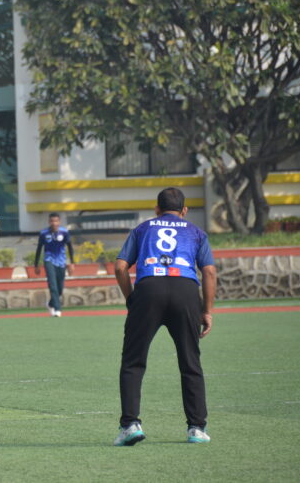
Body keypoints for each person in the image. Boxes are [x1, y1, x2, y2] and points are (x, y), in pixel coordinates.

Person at [113, 188, 217, 446]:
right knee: (190, 362)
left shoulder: (141, 229)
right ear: (184, 211)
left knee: (133, 362)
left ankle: (130, 425)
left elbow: (120, 267)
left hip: (149, 289)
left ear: (156, 209)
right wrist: (206, 310)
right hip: (185, 291)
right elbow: (210, 272)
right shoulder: (196, 232)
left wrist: (131, 298)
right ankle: (196, 428)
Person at [33, 213, 75, 317]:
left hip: (61, 261)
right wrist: (36, 265)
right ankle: (57, 309)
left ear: (59, 222)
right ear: (49, 222)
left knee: (60, 287)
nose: (54, 223)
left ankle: (51, 303)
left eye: (56, 221)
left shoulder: (64, 232)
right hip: (49, 260)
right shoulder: (43, 233)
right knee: (53, 285)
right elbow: (39, 249)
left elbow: (70, 247)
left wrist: (72, 263)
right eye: (52, 221)